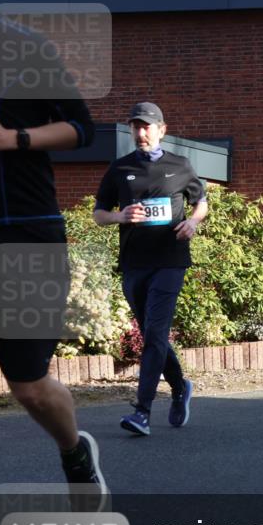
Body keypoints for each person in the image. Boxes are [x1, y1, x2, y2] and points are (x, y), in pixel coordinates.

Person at [0, 0, 106, 525]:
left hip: (23, 234)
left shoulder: (20, 43)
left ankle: (75, 451)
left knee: (28, 387)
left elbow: (82, 127)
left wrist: (12, 138)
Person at [93, 102, 206, 435]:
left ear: (161, 130)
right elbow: (99, 213)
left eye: (147, 127)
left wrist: (194, 222)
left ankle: (142, 412)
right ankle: (180, 386)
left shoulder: (180, 165)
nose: (141, 133)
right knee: (152, 335)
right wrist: (120, 216)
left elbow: (200, 200)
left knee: (155, 334)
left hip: (170, 261)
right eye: (135, 127)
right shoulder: (119, 168)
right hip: (133, 263)